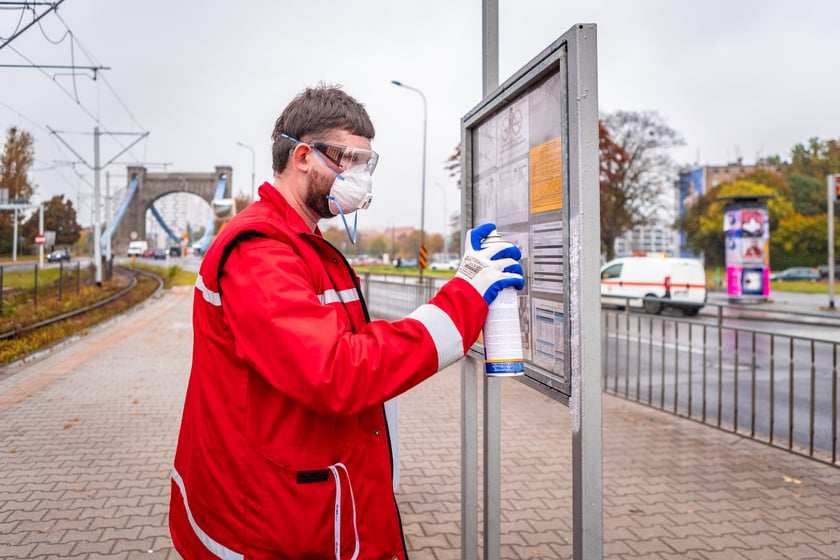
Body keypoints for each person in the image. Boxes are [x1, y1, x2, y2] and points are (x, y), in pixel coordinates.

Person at [169, 85, 524, 559]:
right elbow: (336, 371)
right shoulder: (259, 251)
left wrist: (464, 282)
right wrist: (462, 301)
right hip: (263, 524)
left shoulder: (300, 242)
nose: (361, 177)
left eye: (367, 164)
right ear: (302, 156)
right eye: (351, 160)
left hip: (291, 498)